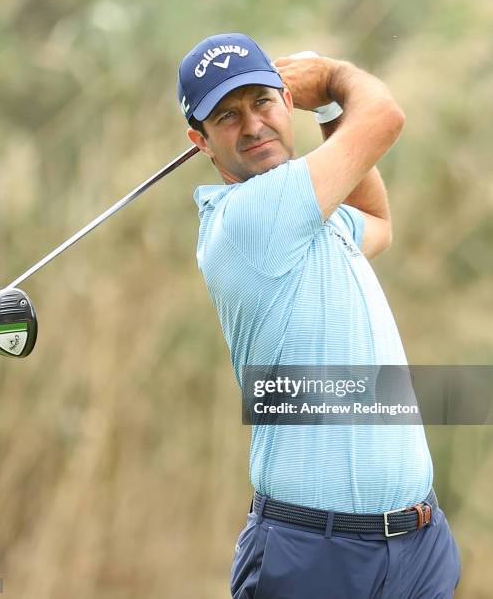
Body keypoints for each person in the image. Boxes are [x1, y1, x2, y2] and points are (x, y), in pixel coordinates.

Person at [177, 33, 461, 598]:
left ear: (286, 101)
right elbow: (383, 117)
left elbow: (376, 222)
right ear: (200, 141)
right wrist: (331, 78)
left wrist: (328, 110)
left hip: (419, 544)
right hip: (315, 556)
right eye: (227, 117)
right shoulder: (253, 220)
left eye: (262, 102)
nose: (253, 125)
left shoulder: (310, 215)